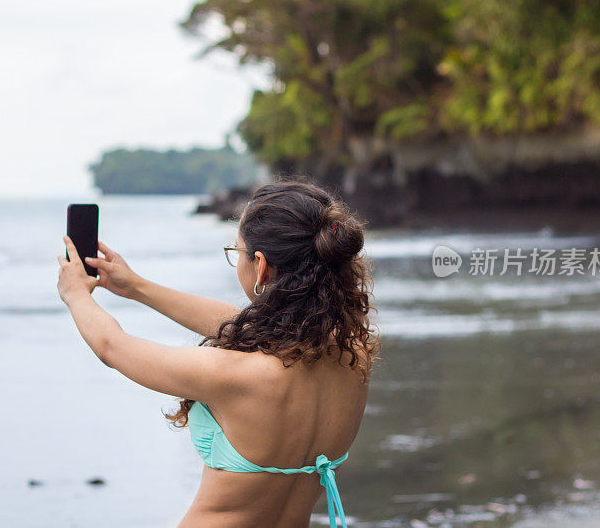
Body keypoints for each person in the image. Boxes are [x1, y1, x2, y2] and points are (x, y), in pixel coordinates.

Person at [57, 179, 381, 527]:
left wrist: (76, 295)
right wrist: (136, 287)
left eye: (235, 252)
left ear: (260, 266)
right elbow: (238, 323)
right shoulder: (353, 357)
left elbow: (112, 346)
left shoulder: (237, 375)